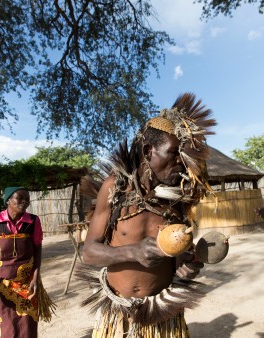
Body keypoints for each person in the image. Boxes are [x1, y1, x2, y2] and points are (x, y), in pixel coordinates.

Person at [81, 92, 217, 337]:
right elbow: (89, 252)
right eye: (174, 153)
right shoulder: (115, 189)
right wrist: (133, 252)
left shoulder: (178, 200)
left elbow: (180, 258)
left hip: (162, 317)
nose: (182, 163)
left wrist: (186, 267)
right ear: (148, 151)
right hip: (117, 315)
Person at [0, 187, 50, 337]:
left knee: (27, 326)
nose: (24, 201)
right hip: (1, 284)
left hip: (27, 283)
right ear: (8, 200)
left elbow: (37, 249)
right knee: (6, 326)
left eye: (27, 199)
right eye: (20, 198)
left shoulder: (33, 221)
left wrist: (36, 277)